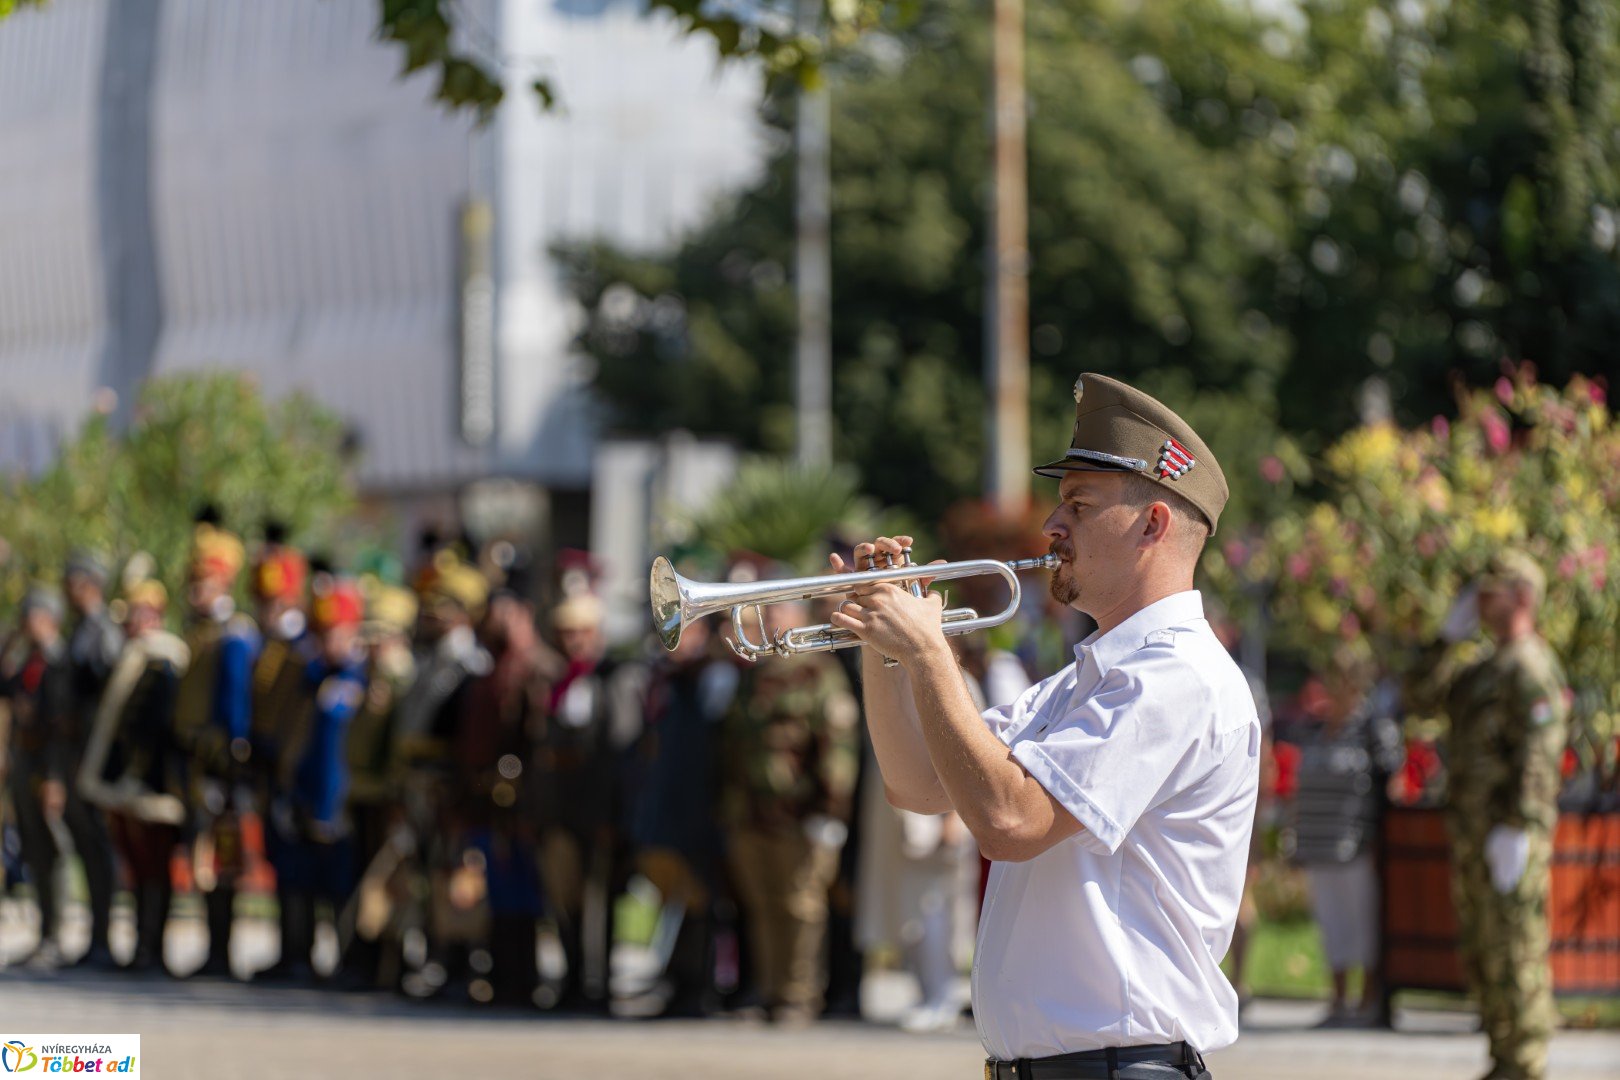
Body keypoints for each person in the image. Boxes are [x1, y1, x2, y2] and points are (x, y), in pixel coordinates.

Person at [830, 373, 1259, 1079]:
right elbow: (918, 783)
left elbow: (1009, 821)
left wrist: (929, 650)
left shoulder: (1175, 679)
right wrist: (885, 647)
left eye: (1078, 506)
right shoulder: (1088, 679)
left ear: (1153, 524)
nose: (1053, 528)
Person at [1408, 552, 1567, 1080]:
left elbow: (1541, 756)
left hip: (1507, 834)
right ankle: (1504, 1060)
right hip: (1476, 835)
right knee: (1485, 953)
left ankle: (1526, 1063)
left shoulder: (1531, 666)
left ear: (1522, 597)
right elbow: (1419, 696)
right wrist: (1446, 640)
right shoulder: (1481, 669)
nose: (1480, 599)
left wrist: (1518, 826)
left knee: (1516, 949)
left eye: (1492, 589)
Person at [719, 600, 859, 1026]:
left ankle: (798, 995)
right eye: (767, 613)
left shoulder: (819, 672)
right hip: (752, 813)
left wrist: (830, 813)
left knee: (800, 906)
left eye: (780, 611)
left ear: (800, 619)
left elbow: (837, 748)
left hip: (800, 815)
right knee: (762, 905)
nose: (772, 620)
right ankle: (769, 989)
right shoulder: (755, 671)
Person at [533, 590, 645, 1012]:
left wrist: (613, 815)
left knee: (600, 901)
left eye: (581, 633)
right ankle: (572, 977)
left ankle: (598, 983)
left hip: (598, 810)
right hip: (560, 808)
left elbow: (620, 751)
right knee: (565, 900)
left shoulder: (613, 679)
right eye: (566, 633)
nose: (574, 641)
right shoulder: (558, 681)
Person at [1284, 649, 1403, 1026]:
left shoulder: (1373, 727)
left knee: (1361, 924)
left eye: (1341, 678)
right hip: (1319, 844)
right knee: (1332, 924)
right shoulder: (1317, 728)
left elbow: (1393, 780)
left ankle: (1366, 1000)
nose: (1333, 687)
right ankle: (1338, 1000)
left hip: (1356, 844)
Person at [77, 576, 189, 973]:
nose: (132, 622)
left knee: (155, 866)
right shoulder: (136, 654)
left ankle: (153, 949)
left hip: (151, 781)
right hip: (127, 779)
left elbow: (157, 728)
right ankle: (142, 944)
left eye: (139, 613)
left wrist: (138, 771)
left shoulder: (165, 658)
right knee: (137, 866)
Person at [172, 516, 260, 978]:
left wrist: (228, 766)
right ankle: (212, 948)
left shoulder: (235, 635)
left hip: (222, 768)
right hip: (196, 762)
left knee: (223, 860)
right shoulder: (198, 631)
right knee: (204, 859)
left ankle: (223, 954)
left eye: (201, 582)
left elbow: (237, 710)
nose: (193, 590)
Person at [0, 586, 76, 967]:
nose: (26, 622)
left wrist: (56, 777)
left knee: (54, 851)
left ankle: (59, 935)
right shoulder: (28, 660)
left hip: (48, 767)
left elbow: (62, 726)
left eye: (31, 615)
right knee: (33, 849)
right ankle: (44, 932)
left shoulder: (59, 661)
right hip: (25, 762)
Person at [61, 550, 123, 968]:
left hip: (96, 754)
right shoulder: (82, 629)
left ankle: (104, 940)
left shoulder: (103, 630)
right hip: (77, 751)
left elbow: (107, 697)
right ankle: (94, 937)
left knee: (99, 847)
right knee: (85, 845)